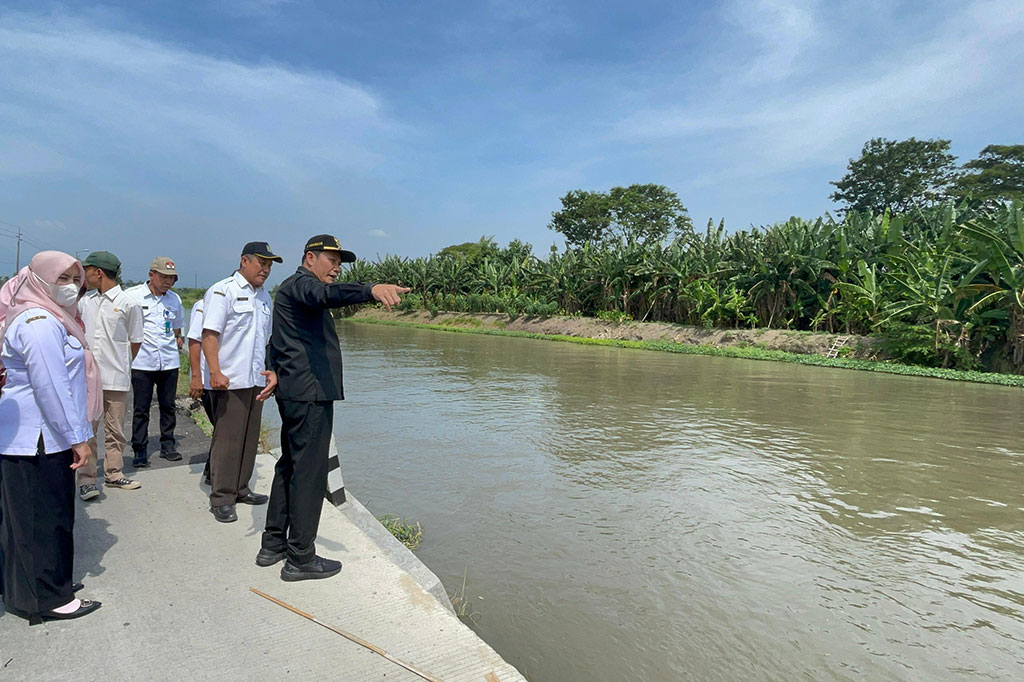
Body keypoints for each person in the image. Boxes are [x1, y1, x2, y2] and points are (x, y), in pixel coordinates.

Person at [258, 234, 408, 581]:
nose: (337, 268)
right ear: (310, 258)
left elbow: (276, 339)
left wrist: (274, 368)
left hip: (297, 391)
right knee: (309, 474)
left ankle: (273, 544)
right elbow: (327, 295)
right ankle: (300, 558)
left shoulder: (291, 291)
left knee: (290, 466)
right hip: (309, 395)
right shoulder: (303, 286)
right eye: (332, 260)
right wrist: (370, 289)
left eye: (340, 263)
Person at [0, 251, 102, 624]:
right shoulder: (39, 322)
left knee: (32, 519)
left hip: (40, 435)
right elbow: (51, 387)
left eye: (76, 279)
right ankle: (49, 599)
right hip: (40, 438)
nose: (71, 286)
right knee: (44, 519)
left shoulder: (51, 317)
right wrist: (78, 439)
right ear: (40, 280)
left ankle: (35, 588)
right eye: (62, 279)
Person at [201, 243, 280, 523]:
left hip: (255, 379)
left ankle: (241, 488)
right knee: (227, 440)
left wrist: (270, 371)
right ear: (244, 261)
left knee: (249, 437)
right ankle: (222, 497)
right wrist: (214, 372)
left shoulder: (265, 297)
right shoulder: (223, 291)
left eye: (269, 265)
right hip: (230, 380)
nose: (265, 270)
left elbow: (266, 340)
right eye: (261, 263)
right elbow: (209, 335)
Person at [76, 251, 144, 500]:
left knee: (115, 429)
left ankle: (114, 473)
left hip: (116, 377)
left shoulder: (128, 304)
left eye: (87, 271)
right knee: (88, 430)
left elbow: (135, 341)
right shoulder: (86, 302)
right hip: (88, 378)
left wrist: (122, 362)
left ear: (99, 272)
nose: (85, 276)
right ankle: (86, 479)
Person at [126, 257, 185, 467]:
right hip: (142, 361)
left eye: (172, 278)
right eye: (164, 277)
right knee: (141, 408)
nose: (168, 282)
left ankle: (168, 444)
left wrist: (178, 340)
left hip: (169, 361)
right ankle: (139, 449)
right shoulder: (132, 296)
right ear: (151, 275)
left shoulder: (175, 299)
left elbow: (177, 327)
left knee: (168, 405)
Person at [186, 296, 216, 485]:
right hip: (208, 380)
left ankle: (212, 469)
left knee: (223, 428)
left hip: (230, 380)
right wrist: (196, 377)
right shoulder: (204, 305)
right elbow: (194, 341)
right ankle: (215, 472)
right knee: (222, 428)